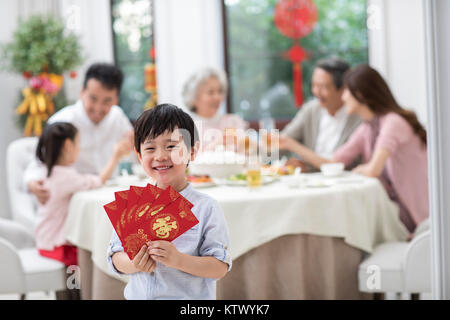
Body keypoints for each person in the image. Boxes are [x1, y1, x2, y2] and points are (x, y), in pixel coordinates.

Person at [280, 64, 428, 233]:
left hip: (413, 213)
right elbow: (332, 162)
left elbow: (373, 170)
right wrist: (291, 145)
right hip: (393, 207)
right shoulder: (368, 128)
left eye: (347, 92)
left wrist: (359, 169)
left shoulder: (393, 122)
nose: (343, 97)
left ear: (360, 95)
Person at [107, 104, 231, 300]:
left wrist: (179, 260)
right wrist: (134, 263)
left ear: (192, 152)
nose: (160, 156)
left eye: (171, 146)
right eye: (150, 148)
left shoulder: (206, 207)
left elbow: (219, 267)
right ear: (139, 155)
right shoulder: (133, 204)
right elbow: (115, 258)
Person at [34, 122, 129, 299]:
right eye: (78, 143)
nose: (79, 148)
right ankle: (80, 293)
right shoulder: (66, 177)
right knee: (89, 249)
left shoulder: (47, 171)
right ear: (68, 146)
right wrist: (115, 157)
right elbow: (98, 180)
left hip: (44, 238)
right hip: (55, 244)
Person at [25, 63, 134, 205]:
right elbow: (38, 164)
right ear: (82, 92)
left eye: (107, 101)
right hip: (74, 200)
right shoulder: (62, 121)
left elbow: (132, 149)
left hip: (109, 194)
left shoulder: (117, 117)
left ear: (116, 100)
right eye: (93, 98)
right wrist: (32, 182)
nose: (98, 108)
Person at [281, 57, 362, 171]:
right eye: (314, 85)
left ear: (343, 88)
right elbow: (282, 141)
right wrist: (256, 149)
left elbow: (342, 165)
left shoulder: (359, 118)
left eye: (323, 87)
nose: (316, 92)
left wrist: (292, 145)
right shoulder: (311, 110)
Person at [182, 67, 248, 151]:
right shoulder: (186, 128)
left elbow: (248, 153)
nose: (217, 97)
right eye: (210, 92)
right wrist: (216, 144)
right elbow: (187, 161)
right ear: (194, 98)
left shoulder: (234, 122)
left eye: (220, 91)